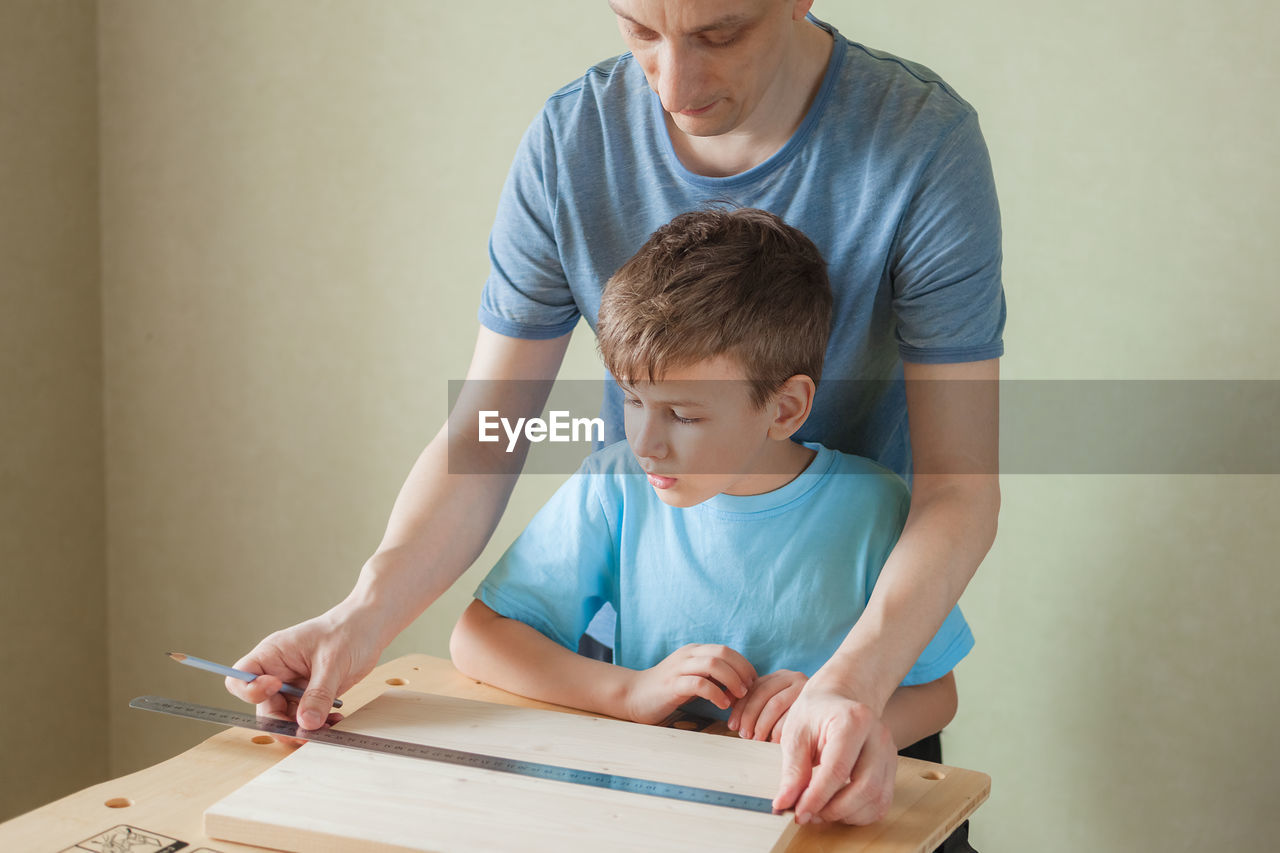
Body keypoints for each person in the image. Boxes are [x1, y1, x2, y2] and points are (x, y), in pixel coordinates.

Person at [227, 0, 1003, 828]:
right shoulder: (573, 143)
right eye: (638, 29)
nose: (674, 84)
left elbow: (960, 485)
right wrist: (362, 613)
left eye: (719, 33)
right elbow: (489, 433)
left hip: (860, 680)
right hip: (636, 728)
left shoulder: (922, 142)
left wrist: (855, 684)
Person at [450, 207, 971, 778]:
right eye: (632, 400)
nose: (646, 443)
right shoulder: (615, 485)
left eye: (683, 415)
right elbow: (478, 638)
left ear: (785, 408)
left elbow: (936, 694)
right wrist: (629, 692)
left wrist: (830, 717)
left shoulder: (874, 506)